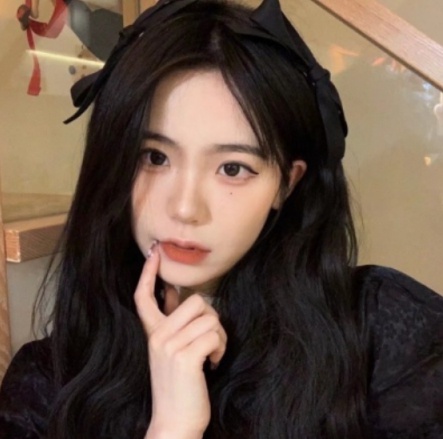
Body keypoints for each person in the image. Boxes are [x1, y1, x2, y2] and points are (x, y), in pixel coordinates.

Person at [1, 0, 443, 438]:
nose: (185, 208)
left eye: (233, 168)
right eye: (154, 157)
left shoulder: (381, 336)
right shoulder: (46, 385)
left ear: (286, 184)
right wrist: (172, 428)